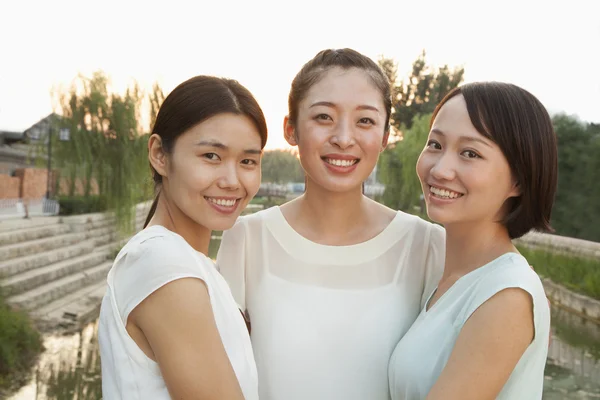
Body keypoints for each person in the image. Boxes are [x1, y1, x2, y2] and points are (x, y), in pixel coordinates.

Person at [216, 48, 445, 400]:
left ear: (385, 136)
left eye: (365, 121)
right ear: (290, 129)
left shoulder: (429, 245)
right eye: (323, 117)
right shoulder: (246, 239)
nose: (343, 137)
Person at [98, 75, 268, 400]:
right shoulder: (164, 263)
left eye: (248, 161)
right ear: (160, 154)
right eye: (211, 157)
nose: (232, 181)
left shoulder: (190, 263)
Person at [388, 82, 556, 399]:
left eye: (470, 153)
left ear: (518, 180)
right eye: (435, 145)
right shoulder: (447, 276)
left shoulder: (506, 294)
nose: (440, 169)